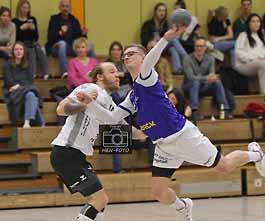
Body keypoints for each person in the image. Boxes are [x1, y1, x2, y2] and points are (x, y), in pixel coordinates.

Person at [81, 12, 265, 221]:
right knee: (158, 192)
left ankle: (255, 154)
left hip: (183, 135)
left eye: (132, 53)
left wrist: (165, 40)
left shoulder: (147, 78)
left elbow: (151, 60)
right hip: (163, 145)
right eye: (125, 54)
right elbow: (112, 119)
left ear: (142, 58)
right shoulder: (132, 96)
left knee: (224, 167)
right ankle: (183, 206)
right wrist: (91, 105)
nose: (127, 55)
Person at [182, 37, 230, 121]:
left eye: (201, 46)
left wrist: (211, 78)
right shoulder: (187, 58)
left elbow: (211, 75)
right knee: (195, 82)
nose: (199, 48)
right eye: (197, 46)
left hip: (204, 86)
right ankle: (194, 111)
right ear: (194, 47)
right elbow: (190, 77)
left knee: (217, 82)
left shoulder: (210, 58)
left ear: (205, 47)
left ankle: (224, 109)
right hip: (189, 87)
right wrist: (206, 78)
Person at [45, 0, 94, 78]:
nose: (65, 8)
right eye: (63, 6)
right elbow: (50, 38)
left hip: (71, 48)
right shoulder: (54, 19)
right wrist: (60, 33)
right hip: (56, 48)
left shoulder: (73, 20)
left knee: (91, 45)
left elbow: (79, 39)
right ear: (59, 8)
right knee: (62, 44)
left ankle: (94, 72)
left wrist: (83, 34)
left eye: (67, 6)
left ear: (70, 8)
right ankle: (65, 73)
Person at [3, 41, 44, 127]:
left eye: (21, 49)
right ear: (13, 52)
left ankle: (27, 122)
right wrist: (18, 86)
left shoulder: (28, 65)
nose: (18, 51)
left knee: (30, 95)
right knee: (32, 93)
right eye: (16, 49)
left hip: (24, 89)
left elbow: (30, 81)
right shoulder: (7, 65)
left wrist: (18, 86)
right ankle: (40, 123)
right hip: (13, 92)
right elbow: (8, 81)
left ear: (24, 51)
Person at [141, 2, 187, 74]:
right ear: (155, 12)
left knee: (173, 47)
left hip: (164, 45)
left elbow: (168, 37)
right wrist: (150, 41)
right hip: (152, 46)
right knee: (173, 43)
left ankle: (177, 70)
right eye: (160, 10)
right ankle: (185, 59)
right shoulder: (148, 24)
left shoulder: (166, 24)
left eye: (164, 11)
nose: (162, 13)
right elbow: (144, 39)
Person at [12, 0, 50, 79]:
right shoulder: (15, 21)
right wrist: (21, 29)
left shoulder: (32, 19)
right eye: (23, 7)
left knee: (37, 48)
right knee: (32, 49)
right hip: (21, 44)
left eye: (27, 8)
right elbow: (15, 38)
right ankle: (33, 74)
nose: (25, 10)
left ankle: (46, 73)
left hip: (32, 43)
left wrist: (33, 29)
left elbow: (36, 37)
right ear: (19, 8)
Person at [235, 13, 265, 95]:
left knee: (263, 63)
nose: (256, 23)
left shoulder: (263, 35)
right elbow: (238, 53)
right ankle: (263, 95)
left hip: (259, 63)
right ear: (248, 24)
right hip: (243, 64)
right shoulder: (243, 35)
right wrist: (256, 57)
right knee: (263, 63)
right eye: (253, 21)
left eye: (258, 21)